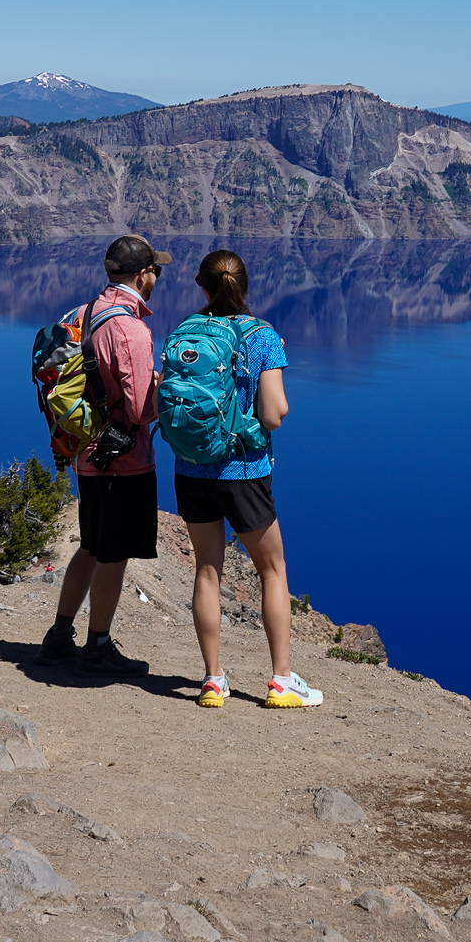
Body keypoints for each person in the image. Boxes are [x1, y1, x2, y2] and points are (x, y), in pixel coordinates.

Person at [171, 249, 322, 709]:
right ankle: (280, 681)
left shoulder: (184, 331)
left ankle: (213, 681)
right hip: (244, 471)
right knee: (272, 570)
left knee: (206, 570)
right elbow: (274, 414)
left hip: (191, 470)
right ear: (246, 286)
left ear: (203, 287)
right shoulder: (261, 336)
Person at [40, 233, 170, 675]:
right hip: (122, 461)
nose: (157, 276)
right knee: (113, 553)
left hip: (85, 452)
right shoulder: (130, 327)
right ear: (142, 274)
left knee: (92, 546)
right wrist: (164, 388)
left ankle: (59, 636)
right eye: (156, 269)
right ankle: (96, 646)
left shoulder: (84, 313)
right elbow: (136, 409)